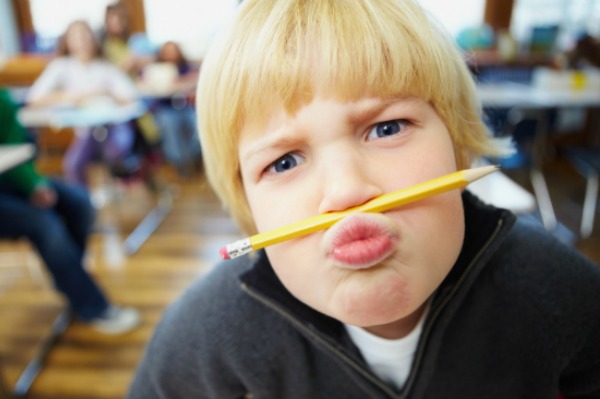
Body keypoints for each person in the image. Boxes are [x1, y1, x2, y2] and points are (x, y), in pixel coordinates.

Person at [129, 1, 600, 398]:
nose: (346, 191)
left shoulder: (555, 287)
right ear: (251, 210)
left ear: (458, 148)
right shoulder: (210, 332)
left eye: (387, 128)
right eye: (285, 162)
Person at [0, 87, 140, 334]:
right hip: (12, 182)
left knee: (81, 203)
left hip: (11, 177)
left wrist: (33, 184)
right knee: (45, 225)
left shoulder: (3, 98)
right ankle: (91, 303)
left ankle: (70, 279)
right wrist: (33, 186)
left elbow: (14, 146)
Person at [26, 20, 140, 186]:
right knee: (73, 165)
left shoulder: (106, 67)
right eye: (77, 36)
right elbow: (33, 99)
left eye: (87, 35)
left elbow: (131, 98)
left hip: (113, 129)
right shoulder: (61, 66)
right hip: (85, 132)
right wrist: (71, 97)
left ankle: (118, 181)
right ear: (68, 41)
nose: (83, 41)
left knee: (114, 151)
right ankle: (86, 204)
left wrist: (106, 94)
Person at [148, 41, 201, 176]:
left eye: (173, 51)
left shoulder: (187, 68)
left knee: (196, 121)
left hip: (186, 106)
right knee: (170, 124)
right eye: (167, 51)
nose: (171, 55)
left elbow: (195, 80)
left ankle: (196, 157)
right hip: (166, 108)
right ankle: (180, 161)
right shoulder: (156, 69)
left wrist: (182, 82)